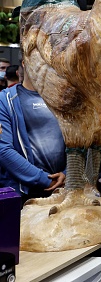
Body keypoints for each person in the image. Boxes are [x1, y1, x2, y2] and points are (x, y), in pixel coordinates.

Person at [0, 64, 66, 204]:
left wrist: (68, 174)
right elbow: (4, 150)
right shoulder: (5, 100)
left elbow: (80, 142)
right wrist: (45, 181)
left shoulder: (65, 99)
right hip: (24, 194)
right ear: (26, 61)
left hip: (64, 190)